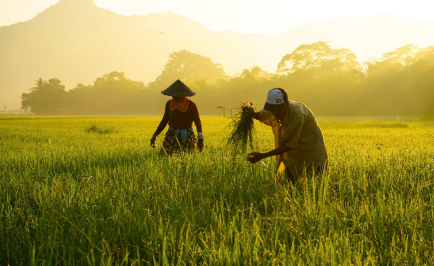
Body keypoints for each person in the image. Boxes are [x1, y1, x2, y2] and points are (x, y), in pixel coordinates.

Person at [247, 88, 327, 183]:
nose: (275, 114)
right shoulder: (275, 110)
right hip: (294, 154)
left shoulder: (297, 115)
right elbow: (263, 115)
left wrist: (263, 155)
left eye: (278, 111)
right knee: (291, 183)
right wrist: (250, 113)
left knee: (317, 183)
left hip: (312, 151)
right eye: (273, 110)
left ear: (286, 105)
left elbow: (289, 145)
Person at [150, 79, 204, 155]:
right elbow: (164, 120)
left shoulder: (191, 105)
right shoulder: (169, 104)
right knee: (164, 156)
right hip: (171, 135)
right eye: (173, 95)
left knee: (188, 158)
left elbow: (198, 122)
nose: (174, 97)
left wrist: (200, 139)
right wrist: (155, 135)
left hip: (187, 136)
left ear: (183, 95)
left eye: (177, 95)